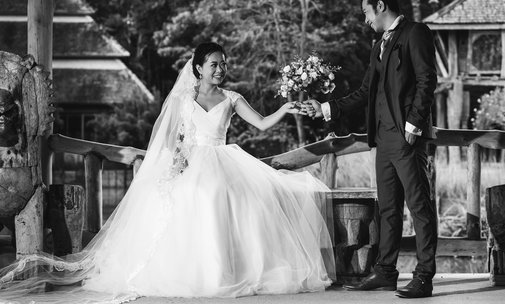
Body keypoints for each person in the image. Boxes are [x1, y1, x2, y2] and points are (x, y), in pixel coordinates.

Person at [0, 42, 335, 303]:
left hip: (222, 158)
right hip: (191, 161)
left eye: (223, 63)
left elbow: (260, 123)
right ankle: (194, 271)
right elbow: (174, 136)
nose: (221, 69)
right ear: (199, 68)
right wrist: (175, 161)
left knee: (225, 199)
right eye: (214, 64)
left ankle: (224, 271)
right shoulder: (183, 99)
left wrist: (286, 108)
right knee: (191, 199)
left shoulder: (233, 98)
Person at [302, 0, 438, 298]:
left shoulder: (416, 32)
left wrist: (414, 124)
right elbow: (366, 92)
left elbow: (426, 79)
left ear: (379, 6)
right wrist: (324, 107)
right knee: (388, 209)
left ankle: (424, 276)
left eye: (366, 11)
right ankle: (386, 272)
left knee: (420, 206)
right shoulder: (378, 44)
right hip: (382, 140)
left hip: (406, 138)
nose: (365, 19)